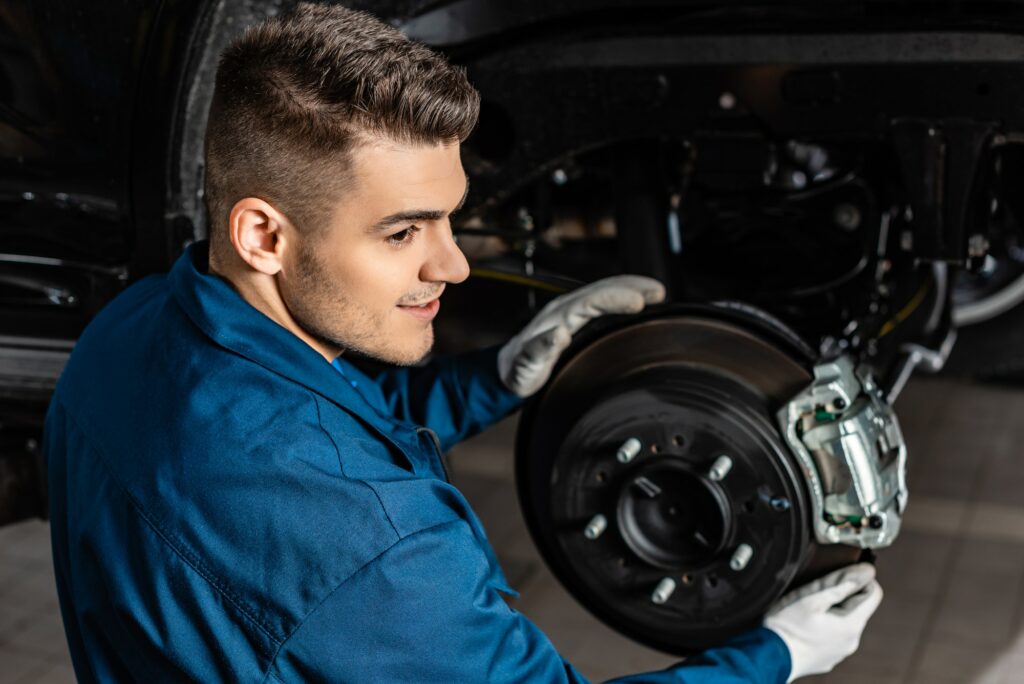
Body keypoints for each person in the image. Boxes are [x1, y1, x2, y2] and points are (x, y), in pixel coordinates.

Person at [44, 3, 882, 682]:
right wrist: (774, 657)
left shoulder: (129, 331)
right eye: (404, 232)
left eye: (451, 219)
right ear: (265, 236)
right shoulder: (383, 549)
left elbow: (301, 426)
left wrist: (496, 378)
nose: (452, 265)